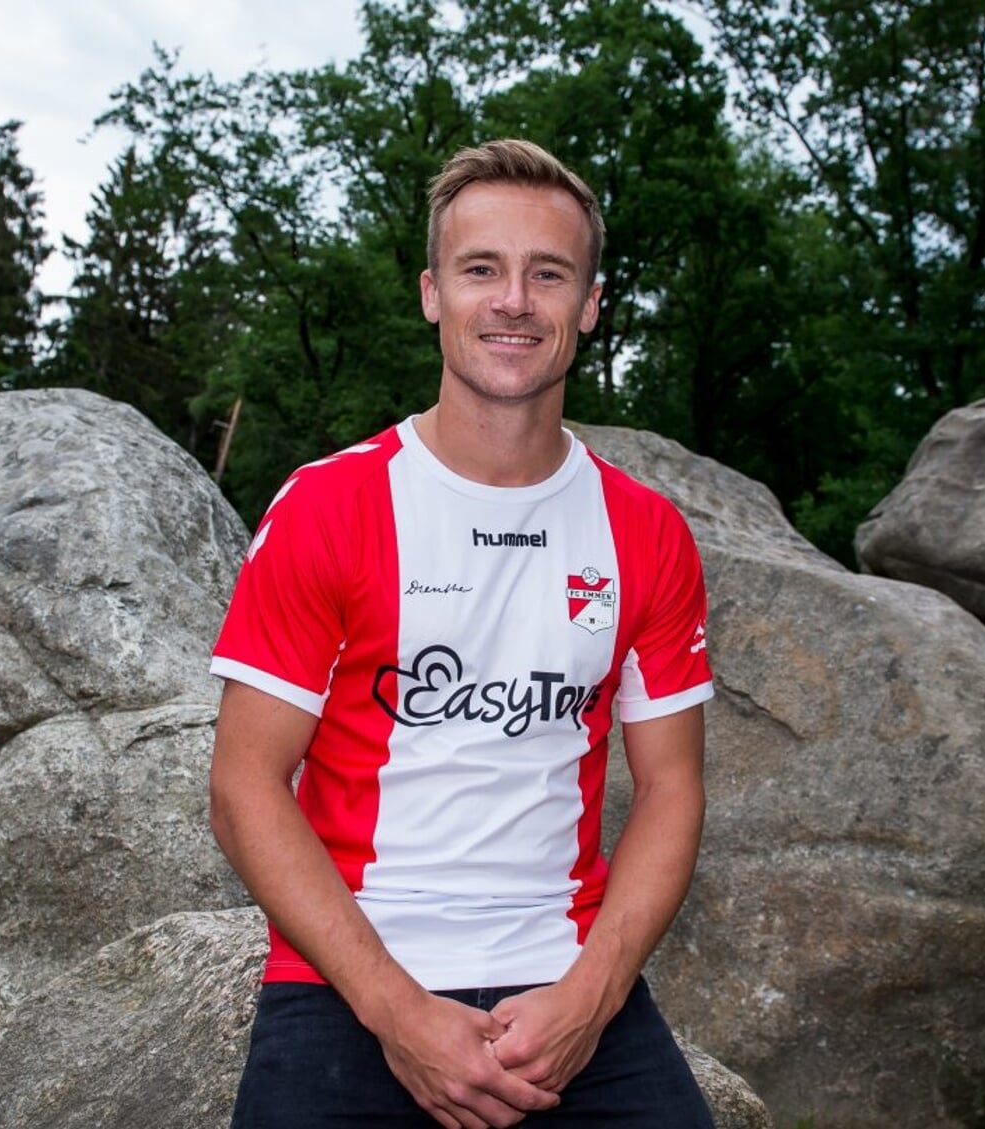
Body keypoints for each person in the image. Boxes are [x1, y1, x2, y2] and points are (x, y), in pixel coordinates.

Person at [208, 138, 716, 1129]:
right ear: (432, 292)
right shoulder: (328, 507)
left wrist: (592, 996)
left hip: (565, 985)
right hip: (348, 981)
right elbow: (241, 786)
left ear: (590, 303)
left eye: (547, 274)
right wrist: (396, 1012)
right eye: (481, 269)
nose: (513, 300)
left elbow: (670, 787)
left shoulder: (645, 532)